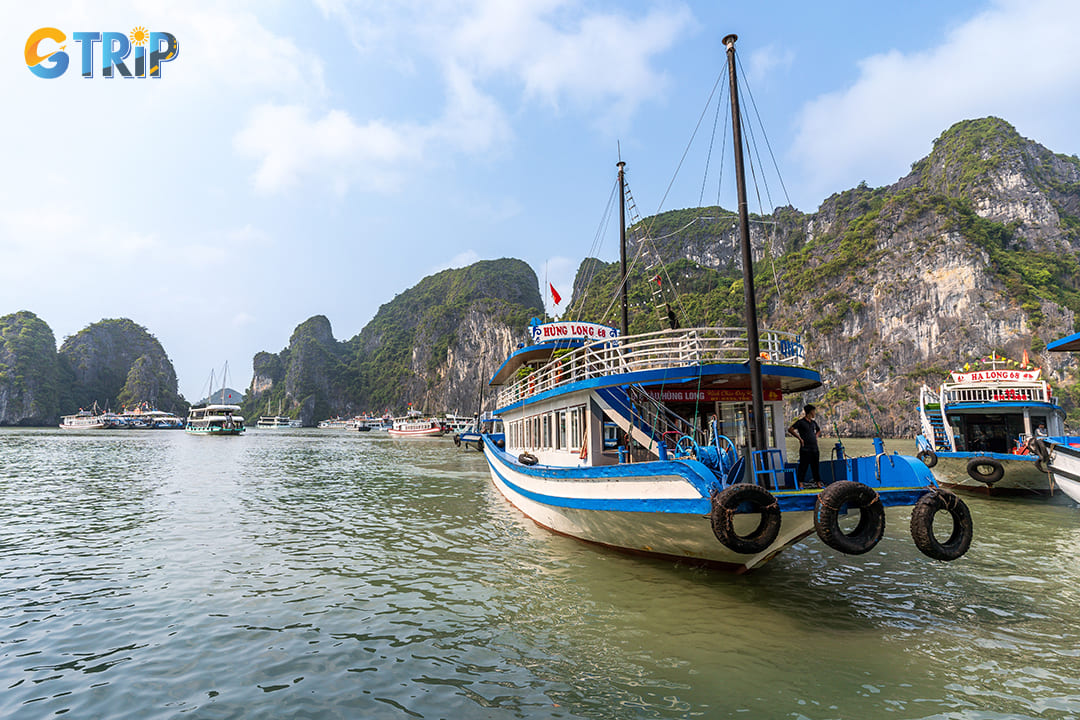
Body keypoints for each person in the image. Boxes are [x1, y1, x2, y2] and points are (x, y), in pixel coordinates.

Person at [788, 404, 822, 488]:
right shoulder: (801, 422)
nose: (815, 413)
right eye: (814, 411)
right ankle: (800, 483)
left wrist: (816, 437)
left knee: (815, 465)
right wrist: (800, 438)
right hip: (805, 447)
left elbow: (819, 430)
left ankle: (818, 483)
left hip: (814, 447)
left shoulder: (813, 422)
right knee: (803, 465)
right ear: (810, 412)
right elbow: (790, 429)